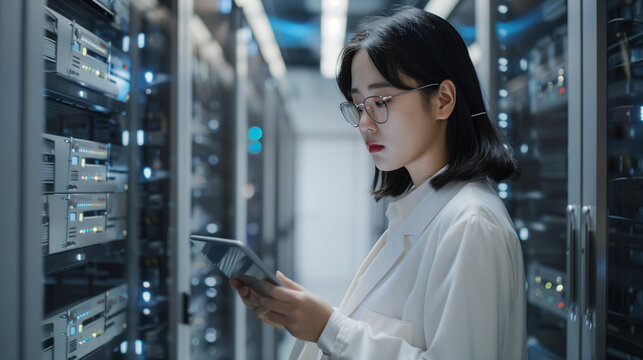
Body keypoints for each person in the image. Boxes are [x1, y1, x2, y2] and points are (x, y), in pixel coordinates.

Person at [230, 6, 526, 360]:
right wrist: (301, 318)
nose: (365, 123)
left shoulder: (471, 224)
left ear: (443, 100)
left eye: (381, 101)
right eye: (357, 105)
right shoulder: (419, 212)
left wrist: (329, 328)